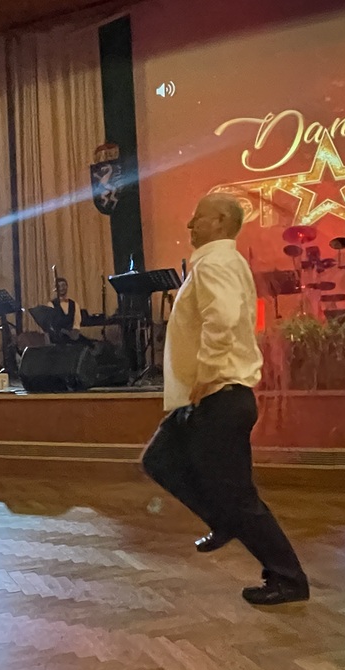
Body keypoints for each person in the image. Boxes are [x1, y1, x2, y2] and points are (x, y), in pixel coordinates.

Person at [140, 193, 309, 606]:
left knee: (240, 498)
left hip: (219, 394)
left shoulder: (216, 262)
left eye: (197, 218)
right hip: (210, 397)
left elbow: (225, 318)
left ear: (218, 221)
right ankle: (224, 520)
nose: (189, 225)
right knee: (160, 459)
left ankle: (288, 578)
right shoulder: (217, 262)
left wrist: (208, 371)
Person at [50, 277, 83, 341]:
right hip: (58, 337)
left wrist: (74, 332)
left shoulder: (74, 304)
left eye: (63, 285)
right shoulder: (51, 304)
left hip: (72, 336)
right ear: (56, 289)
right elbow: (52, 324)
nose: (62, 288)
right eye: (59, 286)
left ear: (67, 286)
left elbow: (77, 322)